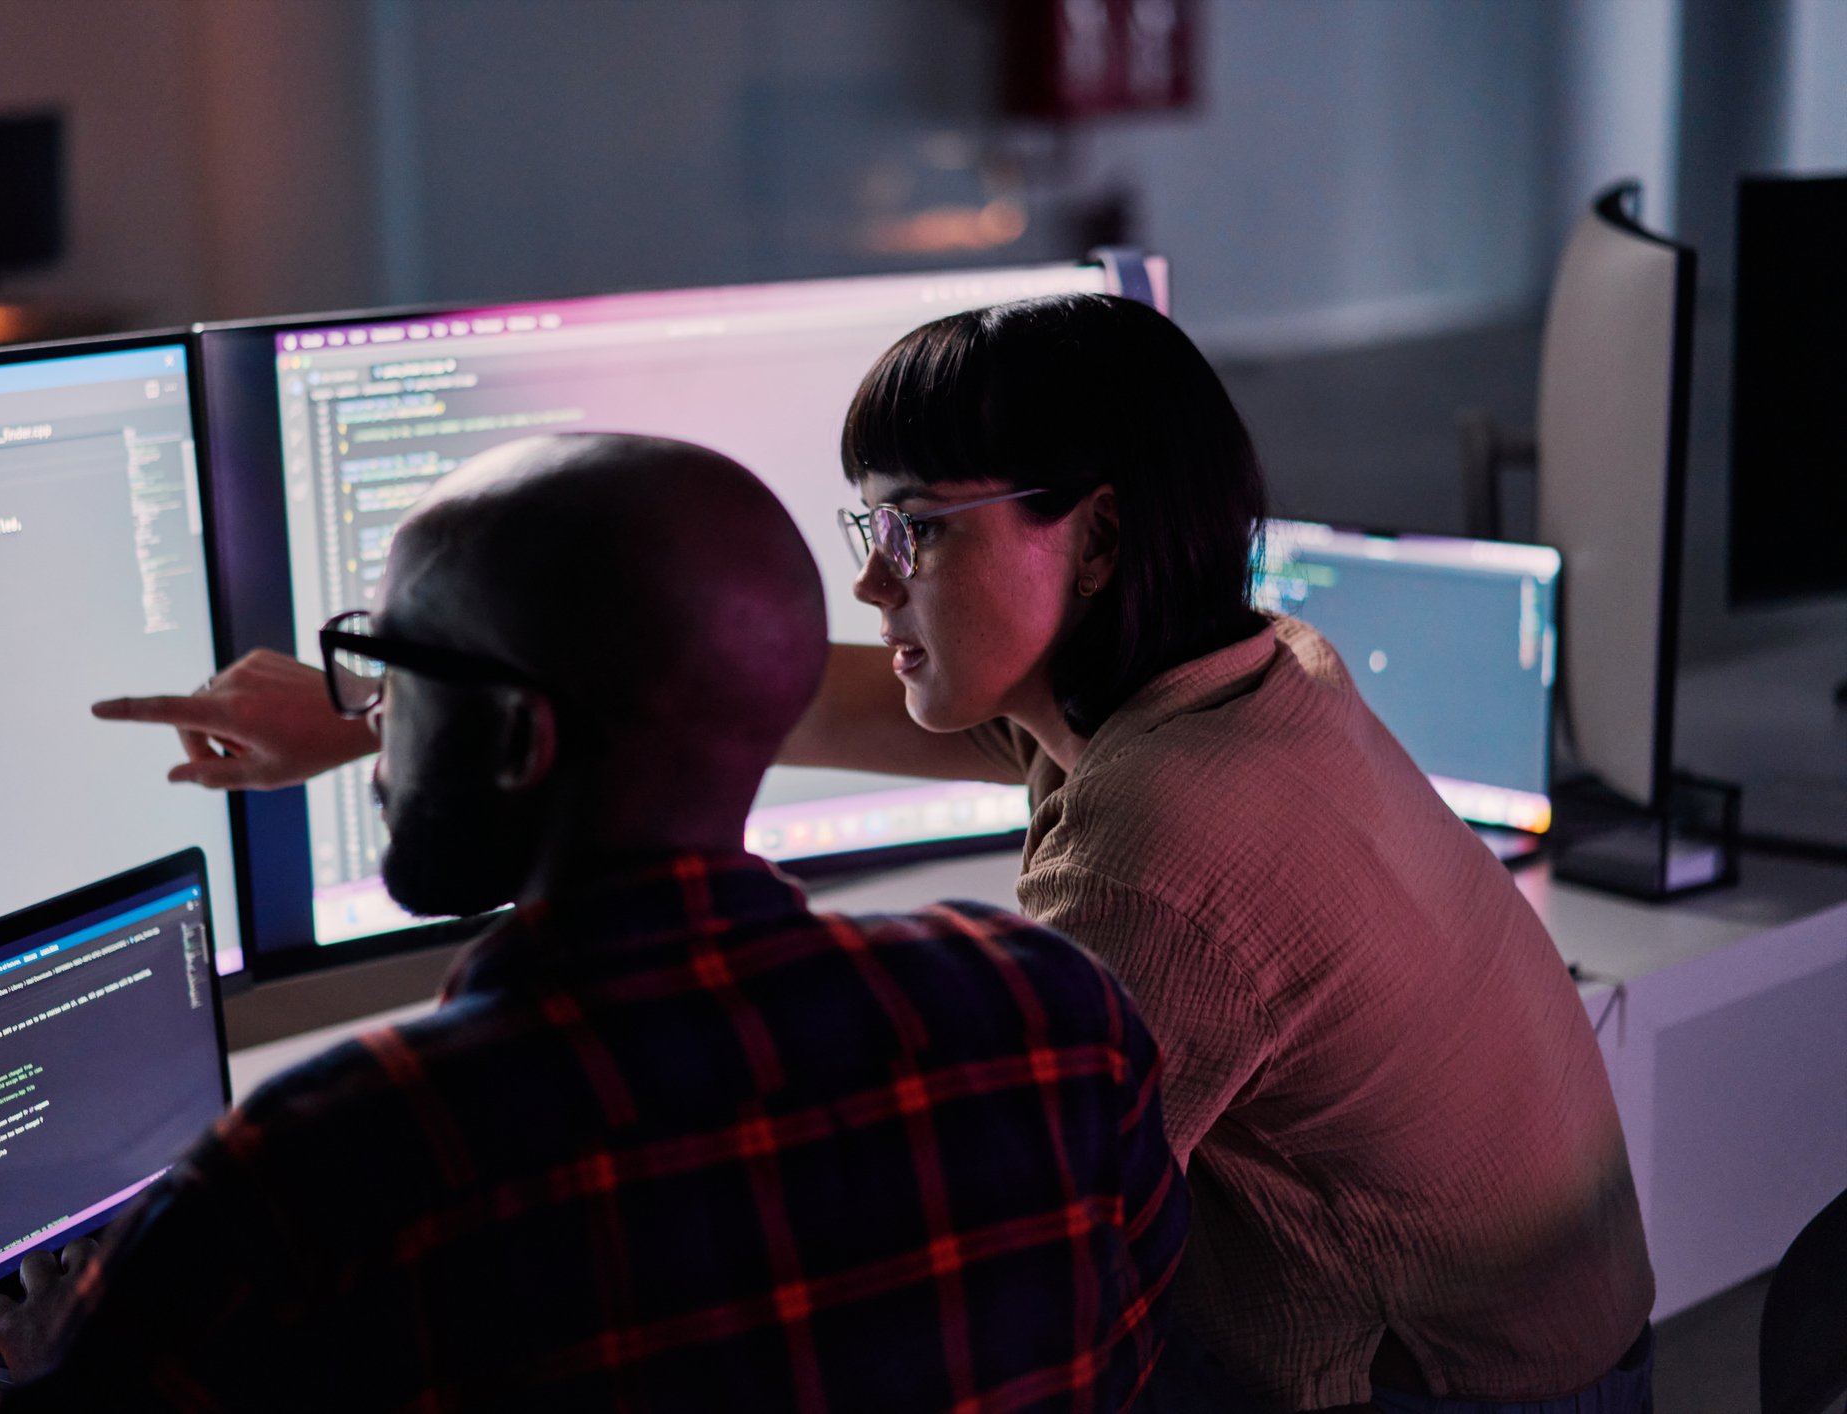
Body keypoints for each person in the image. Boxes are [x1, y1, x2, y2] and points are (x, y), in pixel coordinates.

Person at [102, 296, 1656, 1414]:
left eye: (914, 527)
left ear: (1096, 538)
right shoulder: (1225, 674)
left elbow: (1029, 1229)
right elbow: (724, 676)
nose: (865, 578)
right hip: (1544, 1305)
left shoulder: (1159, 844)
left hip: (1453, 1378)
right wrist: (390, 700)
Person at [0, 432, 1189, 1411]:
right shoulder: (1048, 1016)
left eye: (387, 681)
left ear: (519, 738)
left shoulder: (329, 1163)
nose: (369, 731)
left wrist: (65, 1350)